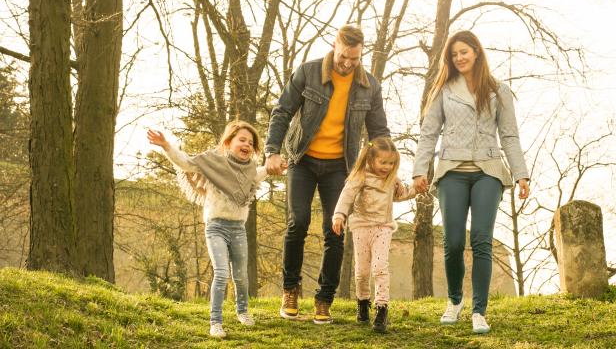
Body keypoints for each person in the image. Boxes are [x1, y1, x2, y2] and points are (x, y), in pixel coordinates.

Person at [264, 24, 390, 324]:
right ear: (334, 46)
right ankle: (291, 289)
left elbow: (379, 131)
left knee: (334, 231)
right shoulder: (307, 73)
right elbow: (282, 111)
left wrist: (387, 168)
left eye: (354, 59)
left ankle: (324, 299)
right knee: (298, 221)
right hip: (302, 160)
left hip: (340, 166)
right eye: (343, 56)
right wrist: (272, 151)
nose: (347, 63)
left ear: (361, 55)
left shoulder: (369, 86)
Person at [412, 30, 530, 334]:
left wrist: (521, 174)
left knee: (481, 240)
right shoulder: (443, 90)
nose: (459, 58)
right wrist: (419, 170)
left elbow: (510, 136)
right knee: (452, 242)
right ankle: (454, 301)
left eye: (464, 52)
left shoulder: (498, 90)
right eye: (454, 54)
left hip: (488, 171)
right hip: (451, 171)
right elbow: (428, 132)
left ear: (476, 52)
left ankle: (479, 310)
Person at [147, 121, 280, 338]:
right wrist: (166, 146)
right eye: (242, 140)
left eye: (251, 142)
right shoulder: (213, 162)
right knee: (221, 273)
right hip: (216, 226)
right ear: (229, 142)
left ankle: (242, 311)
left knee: (241, 276)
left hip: (238, 228)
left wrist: (273, 168)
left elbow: (259, 174)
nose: (247, 144)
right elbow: (186, 163)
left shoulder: (249, 171)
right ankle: (215, 322)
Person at [332, 137, 416, 333]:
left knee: (380, 268)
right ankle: (363, 303)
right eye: (383, 162)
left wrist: (415, 190)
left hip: (383, 227)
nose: (387, 167)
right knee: (362, 271)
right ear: (371, 159)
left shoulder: (390, 179)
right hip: (361, 227)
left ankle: (381, 308)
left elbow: (399, 195)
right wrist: (339, 215)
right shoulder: (360, 176)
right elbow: (346, 195)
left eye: (391, 163)